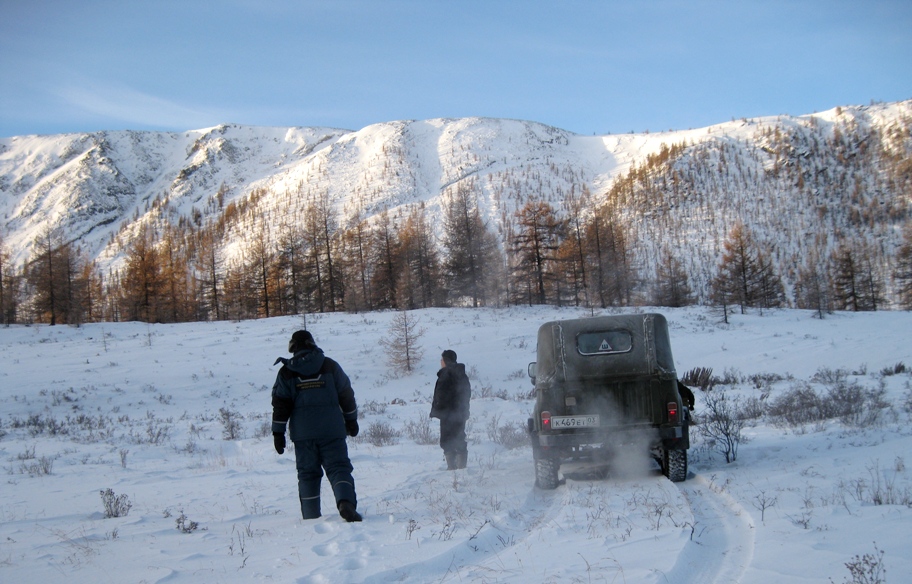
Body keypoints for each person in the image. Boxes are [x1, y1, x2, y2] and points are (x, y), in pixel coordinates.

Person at [271, 330, 362, 522]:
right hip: (332, 430)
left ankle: (311, 518)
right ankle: (345, 503)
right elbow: (346, 393)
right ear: (312, 344)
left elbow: (280, 405)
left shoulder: (287, 371)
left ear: (292, 347)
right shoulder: (330, 365)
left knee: (308, 474)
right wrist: (351, 419)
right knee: (339, 468)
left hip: (303, 435)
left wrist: (278, 433)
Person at [430, 349, 471, 470]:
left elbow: (441, 395)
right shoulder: (462, 374)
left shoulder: (446, 374)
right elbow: (467, 393)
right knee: (459, 437)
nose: (440, 362)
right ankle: (461, 467)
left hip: (448, 414)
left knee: (447, 440)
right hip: (460, 413)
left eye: (442, 359)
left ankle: (452, 468)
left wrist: (439, 408)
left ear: (446, 361)